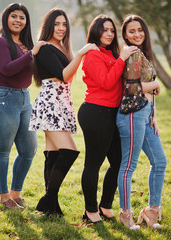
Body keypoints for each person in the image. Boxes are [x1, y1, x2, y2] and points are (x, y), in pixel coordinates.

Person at [29, 8, 99, 216]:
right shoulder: (45, 48)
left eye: (64, 24)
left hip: (60, 101)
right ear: (49, 26)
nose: (61, 28)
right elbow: (64, 76)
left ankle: (51, 206)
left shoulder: (59, 47)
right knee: (69, 151)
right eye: (57, 24)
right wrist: (81, 53)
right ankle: (48, 198)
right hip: (50, 103)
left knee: (53, 154)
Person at [0, 3, 47, 209]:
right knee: (3, 150)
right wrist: (32, 53)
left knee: (29, 149)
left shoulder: (26, 44)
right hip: (1, 97)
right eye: (14, 16)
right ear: (6, 18)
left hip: (23, 98)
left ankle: (15, 194)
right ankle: (4, 197)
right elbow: (7, 69)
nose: (18, 20)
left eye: (22, 17)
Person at [78, 15, 137, 223]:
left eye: (112, 30)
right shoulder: (93, 54)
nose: (109, 34)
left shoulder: (112, 54)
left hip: (113, 114)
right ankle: (90, 210)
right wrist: (122, 59)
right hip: (95, 112)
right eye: (104, 30)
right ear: (96, 32)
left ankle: (105, 205)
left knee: (119, 161)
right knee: (93, 163)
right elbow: (105, 82)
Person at [116, 14, 167, 230]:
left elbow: (145, 88)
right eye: (131, 31)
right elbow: (130, 88)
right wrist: (155, 84)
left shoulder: (143, 54)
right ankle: (125, 214)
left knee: (160, 161)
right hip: (131, 114)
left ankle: (152, 211)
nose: (137, 34)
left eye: (140, 30)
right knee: (129, 166)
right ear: (125, 35)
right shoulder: (131, 53)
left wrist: (154, 114)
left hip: (145, 114)